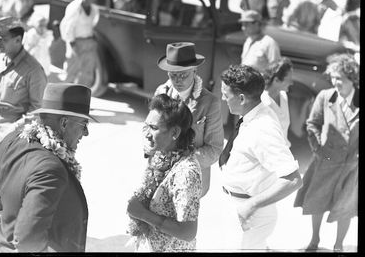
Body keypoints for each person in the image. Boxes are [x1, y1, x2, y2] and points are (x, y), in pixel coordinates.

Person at [0, 83, 94, 252]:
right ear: (64, 123)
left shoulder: (14, 138)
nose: (86, 133)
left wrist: (3, 207)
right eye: (84, 124)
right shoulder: (52, 169)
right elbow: (28, 238)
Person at [219, 65, 302, 250]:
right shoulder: (252, 114)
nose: (223, 98)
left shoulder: (263, 128)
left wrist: (251, 206)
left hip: (250, 213)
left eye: (226, 95)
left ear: (241, 98)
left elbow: (293, 180)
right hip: (240, 205)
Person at [294, 54, 359, 252]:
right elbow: (312, 124)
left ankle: (339, 246)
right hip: (326, 160)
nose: (335, 82)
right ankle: (315, 240)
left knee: (345, 207)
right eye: (333, 77)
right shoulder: (325, 96)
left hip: (352, 164)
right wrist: (318, 149)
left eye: (340, 78)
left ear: (352, 79)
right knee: (317, 200)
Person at [127, 94, 202, 252]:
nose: (147, 134)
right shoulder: (160, 156)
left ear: (175, 132)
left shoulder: (186, 172)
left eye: (154, 128)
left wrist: (142, 214)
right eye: (147, 126)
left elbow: (188, 232)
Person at [154, 42, 224, 197]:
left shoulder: (210, 103)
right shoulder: (161, 92)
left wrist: (181, 161)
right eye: (173, 75)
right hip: (161, 175)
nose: (178, 80)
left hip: (191, 180)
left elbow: (215, 148)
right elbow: (149, 127)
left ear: (195, 71)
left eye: (183, 75)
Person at [0, 16, 47, 168]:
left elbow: (37, 111)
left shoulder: (33, 70)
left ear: (18, 40)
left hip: (11, 131)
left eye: (2, 39)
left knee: (0, 178)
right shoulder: (1, 59)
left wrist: (12, 131)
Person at [59, 0, 102, 87]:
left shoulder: (94, 9)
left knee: (87, 73)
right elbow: (68, 27)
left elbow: (93, 25)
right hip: (75, 43)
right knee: (71, 71)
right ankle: (65, 98)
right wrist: (72, 45)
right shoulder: (74, 7)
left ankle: (80, 98)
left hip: (89, 42)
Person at [261, 57, 294, 147]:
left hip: (282, 153)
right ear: (276, 80)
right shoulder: (260, 102)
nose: (292, 83)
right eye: (289, 79)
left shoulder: (283, 96)